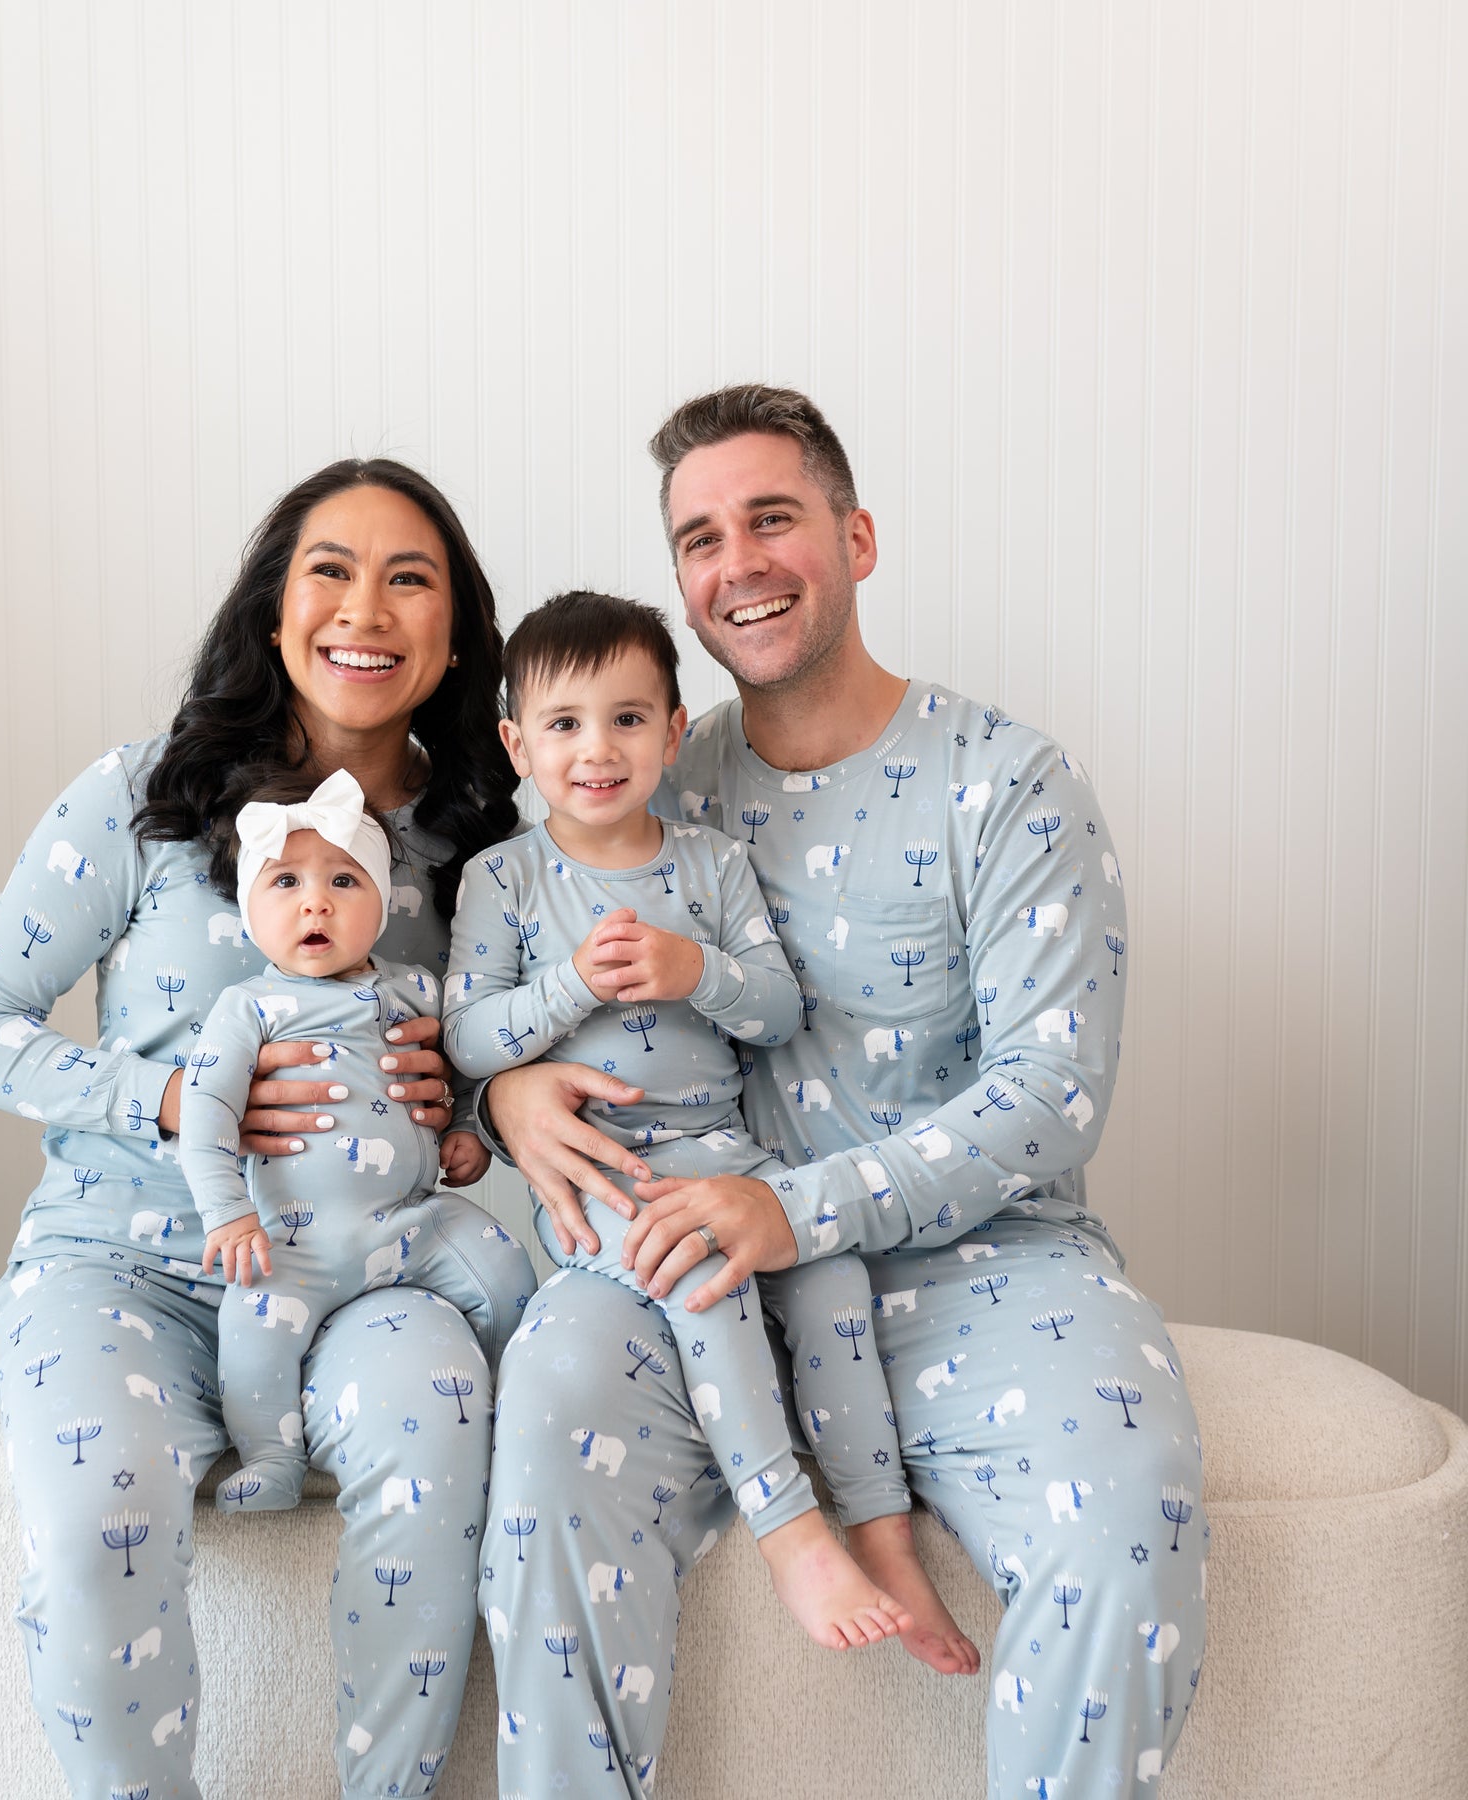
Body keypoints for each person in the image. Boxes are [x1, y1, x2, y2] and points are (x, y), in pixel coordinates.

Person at [480, 387, 1205, 1800]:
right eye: (700, 537)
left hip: (983, 1266)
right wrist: (504, 1093)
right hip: (677, 1265)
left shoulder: (1007, 783)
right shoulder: (635, 780)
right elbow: (501, 966)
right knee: (549, 1440)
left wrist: (790, 1209)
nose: (737, 561)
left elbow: (1053, 1095)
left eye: (772, 519)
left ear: (855, 537)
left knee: (1131, 1512)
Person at [0, 459, 521, 1800]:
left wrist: (469, 1100)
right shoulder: (142, 797)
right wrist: (166, 1099)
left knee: (435, 1443)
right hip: (124, 1263)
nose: (366, 609)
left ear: (456, 636)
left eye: (409, 578)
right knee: (96, 1527)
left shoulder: (482, 844)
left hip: (371, 1272)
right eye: (331, 570)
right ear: (272, 611)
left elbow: (517, 1055)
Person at [451, 589, 975, 1664]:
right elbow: (468, 1038)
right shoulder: (502, 880)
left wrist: (696, 971)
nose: (597, 750)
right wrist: (563, 993)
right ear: (517, 743)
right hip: (601, 1182)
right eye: (563, 725)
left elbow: (778, 1010)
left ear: (673, 731)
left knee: (830, 1278)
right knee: (708, 1280)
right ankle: (792, 1536)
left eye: (628, 719)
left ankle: (882, 1532)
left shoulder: (708, 867)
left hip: (730, 1157)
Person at [181, 766, 534, 1512]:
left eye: (344, 881)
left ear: (379, 905)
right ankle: (273, 1455)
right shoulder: (247, 1008)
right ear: (248, 911)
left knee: (504, 1272)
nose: (315, 901)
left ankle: (521, 1408)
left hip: (414, 1220)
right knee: (251, 1331)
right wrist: (227, 1214)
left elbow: (461, 1067)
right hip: (291, 1243)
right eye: (284, 884)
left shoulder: (415, 988)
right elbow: (206, 1115)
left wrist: (467, 1125)